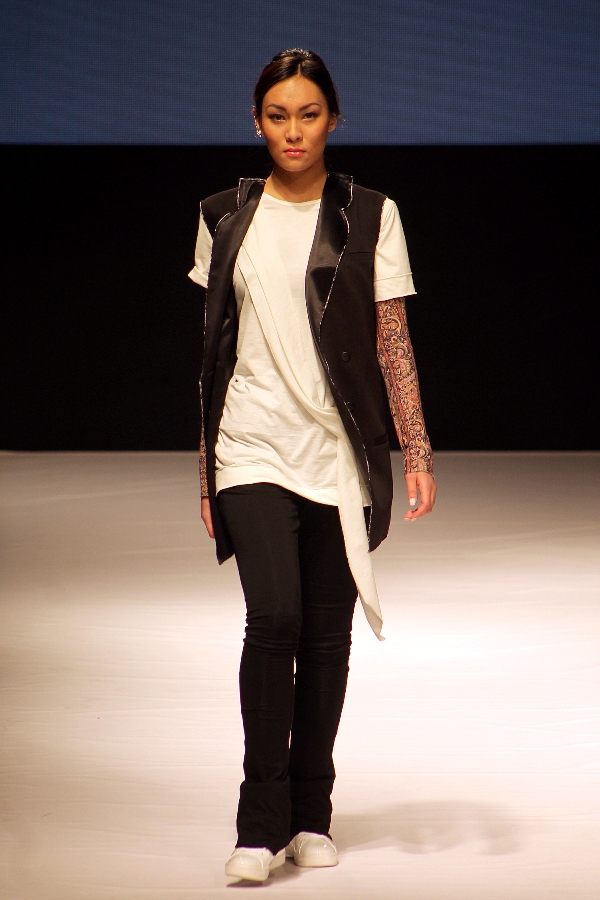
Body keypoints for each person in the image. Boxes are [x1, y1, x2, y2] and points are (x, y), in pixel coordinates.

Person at [189, 49, 436, 883]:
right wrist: (206, 468)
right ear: (256, 122)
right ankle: (258, 827)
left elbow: (391, 340)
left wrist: (416, 449)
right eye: (277, 115)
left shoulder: (371, 214)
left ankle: (311, 815)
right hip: (251, 443)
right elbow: (214, 352)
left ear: (333, 119)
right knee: (276, 619)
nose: (293, 131)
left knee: (328, 636)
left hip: (337, 450)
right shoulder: (223, 215)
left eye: (308, 114)